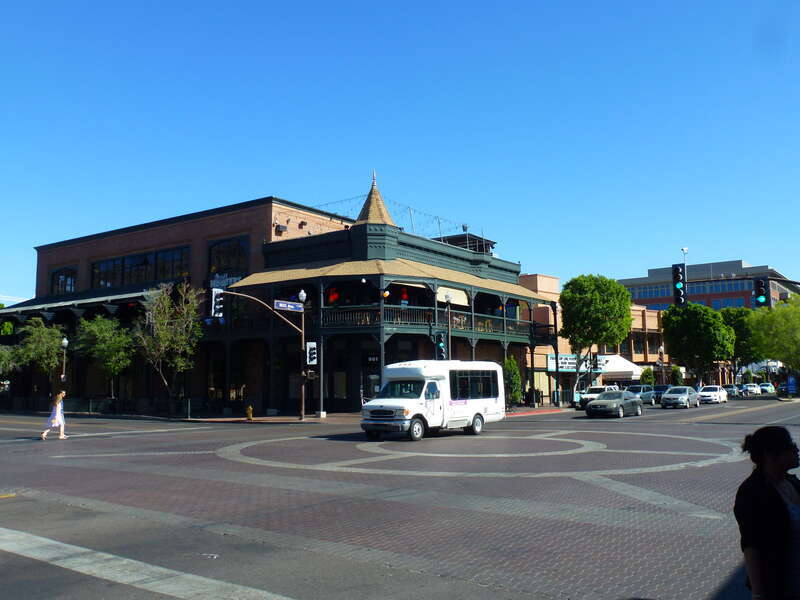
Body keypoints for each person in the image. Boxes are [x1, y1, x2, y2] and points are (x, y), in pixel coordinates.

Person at [734, 426, 800, 599]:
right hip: (782, 585)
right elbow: (751, 545)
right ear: (770, 455)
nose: (796, 450)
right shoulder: (752, 492)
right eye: (790, 446)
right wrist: (758, 593)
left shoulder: (792, 482)